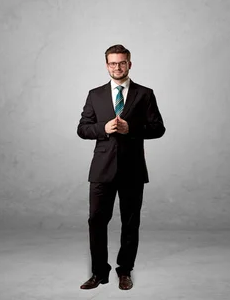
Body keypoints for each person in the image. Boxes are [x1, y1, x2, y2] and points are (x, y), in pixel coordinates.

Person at [77, 44, 166, 290]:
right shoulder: (95, 95)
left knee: (130, 222)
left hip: (132, 170)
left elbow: (158, 128)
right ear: (107, 65)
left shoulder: (145, 94)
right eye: (112, 63)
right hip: (101, 170)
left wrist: (132, 129)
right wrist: (103, 128)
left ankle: (125, 271)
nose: (117, 67)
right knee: (96, 221)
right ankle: (99, 273)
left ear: (130, 64)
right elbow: (82, 128)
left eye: (122, 62)